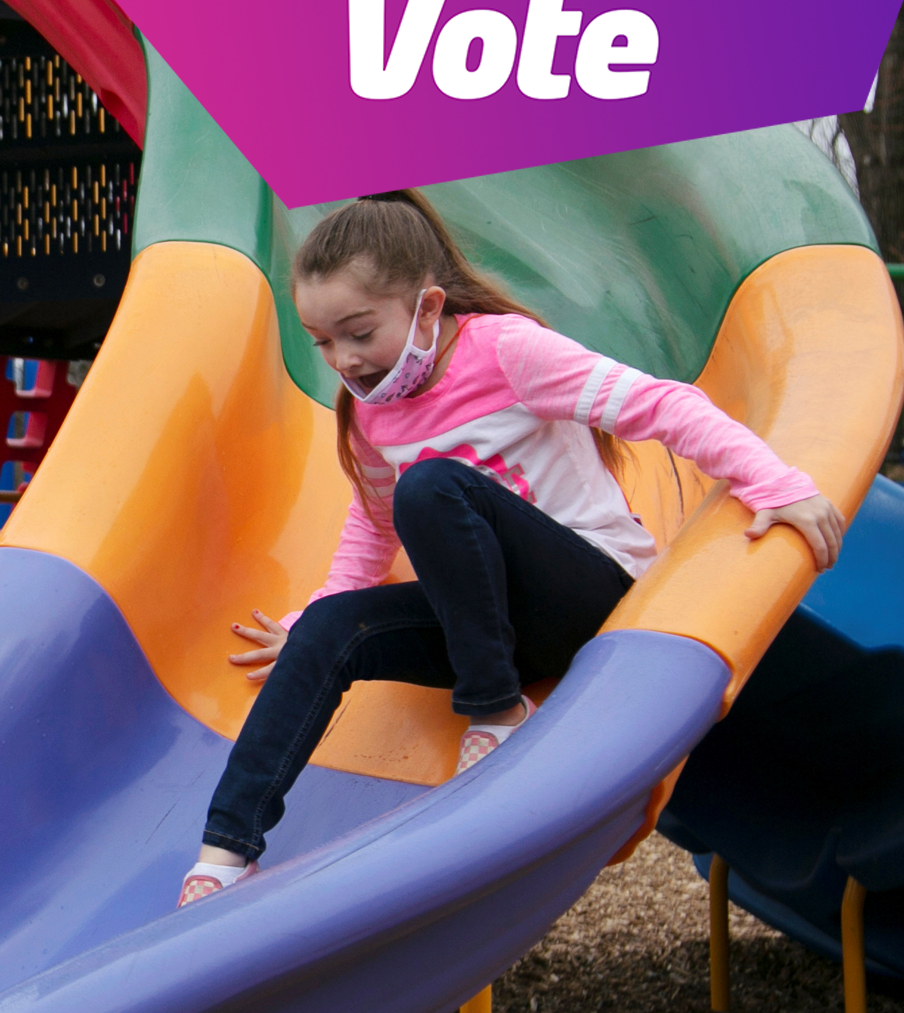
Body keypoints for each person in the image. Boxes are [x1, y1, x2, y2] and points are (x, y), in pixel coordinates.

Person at [175, 189, 846, 908]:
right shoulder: (371, 414)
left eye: (359, 332)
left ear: (427, 309)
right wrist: (310, 624)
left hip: (587, 596)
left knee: (431, 488)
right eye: (323, 341)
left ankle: (495, 710)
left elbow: (661, 406)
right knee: (335, 628)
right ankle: (225, 851)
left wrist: (775, 484)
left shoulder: (506, 352)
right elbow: (370, 534)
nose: (344, 359)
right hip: (481, 625)